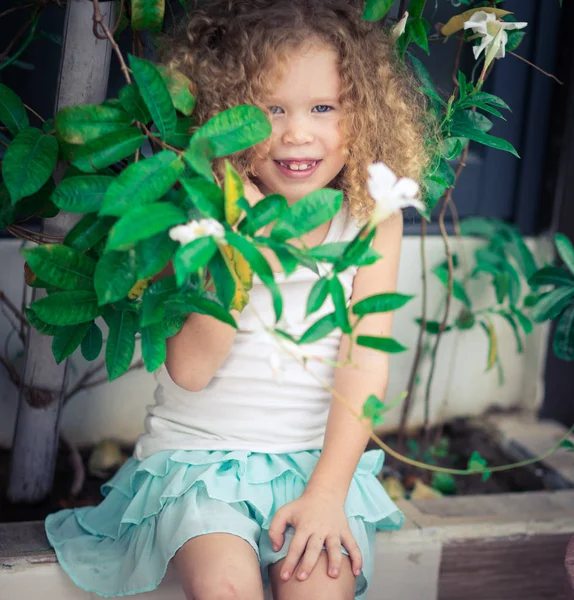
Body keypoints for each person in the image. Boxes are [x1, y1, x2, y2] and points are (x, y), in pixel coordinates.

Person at [45, 0, 432, 598]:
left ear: (365, 114)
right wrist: (243, 247)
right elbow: (191, 370)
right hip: (200, 464)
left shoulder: (371, 216)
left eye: (323, 107)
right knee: (227, 587)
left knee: (320, 584)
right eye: (270, 109)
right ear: (226, 117)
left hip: (316, 463)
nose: (297, 132)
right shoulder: (203, 211)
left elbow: (365, 360)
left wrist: (328, 494)